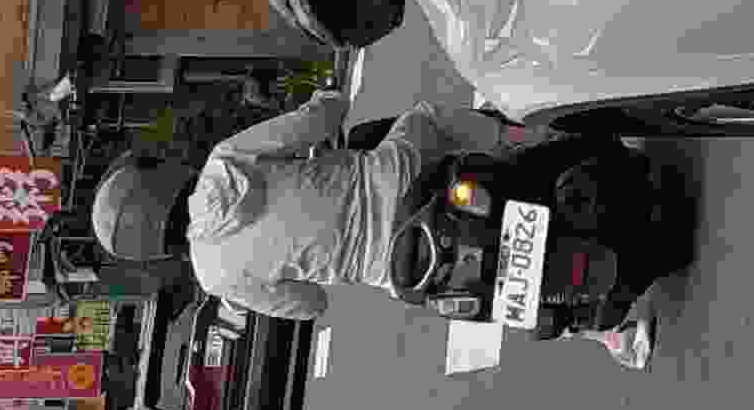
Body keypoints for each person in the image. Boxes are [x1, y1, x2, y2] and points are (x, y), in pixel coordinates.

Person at [89, 88, 681, 369]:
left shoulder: (216, 278)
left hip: (401, 264)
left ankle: (611, 335)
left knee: (489, 298)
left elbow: (309, 306)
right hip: (398, 177)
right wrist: (324, 103)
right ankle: (535, 134)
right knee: (428, 119)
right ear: (160, 180)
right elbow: (319, 118)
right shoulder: (224, 163)